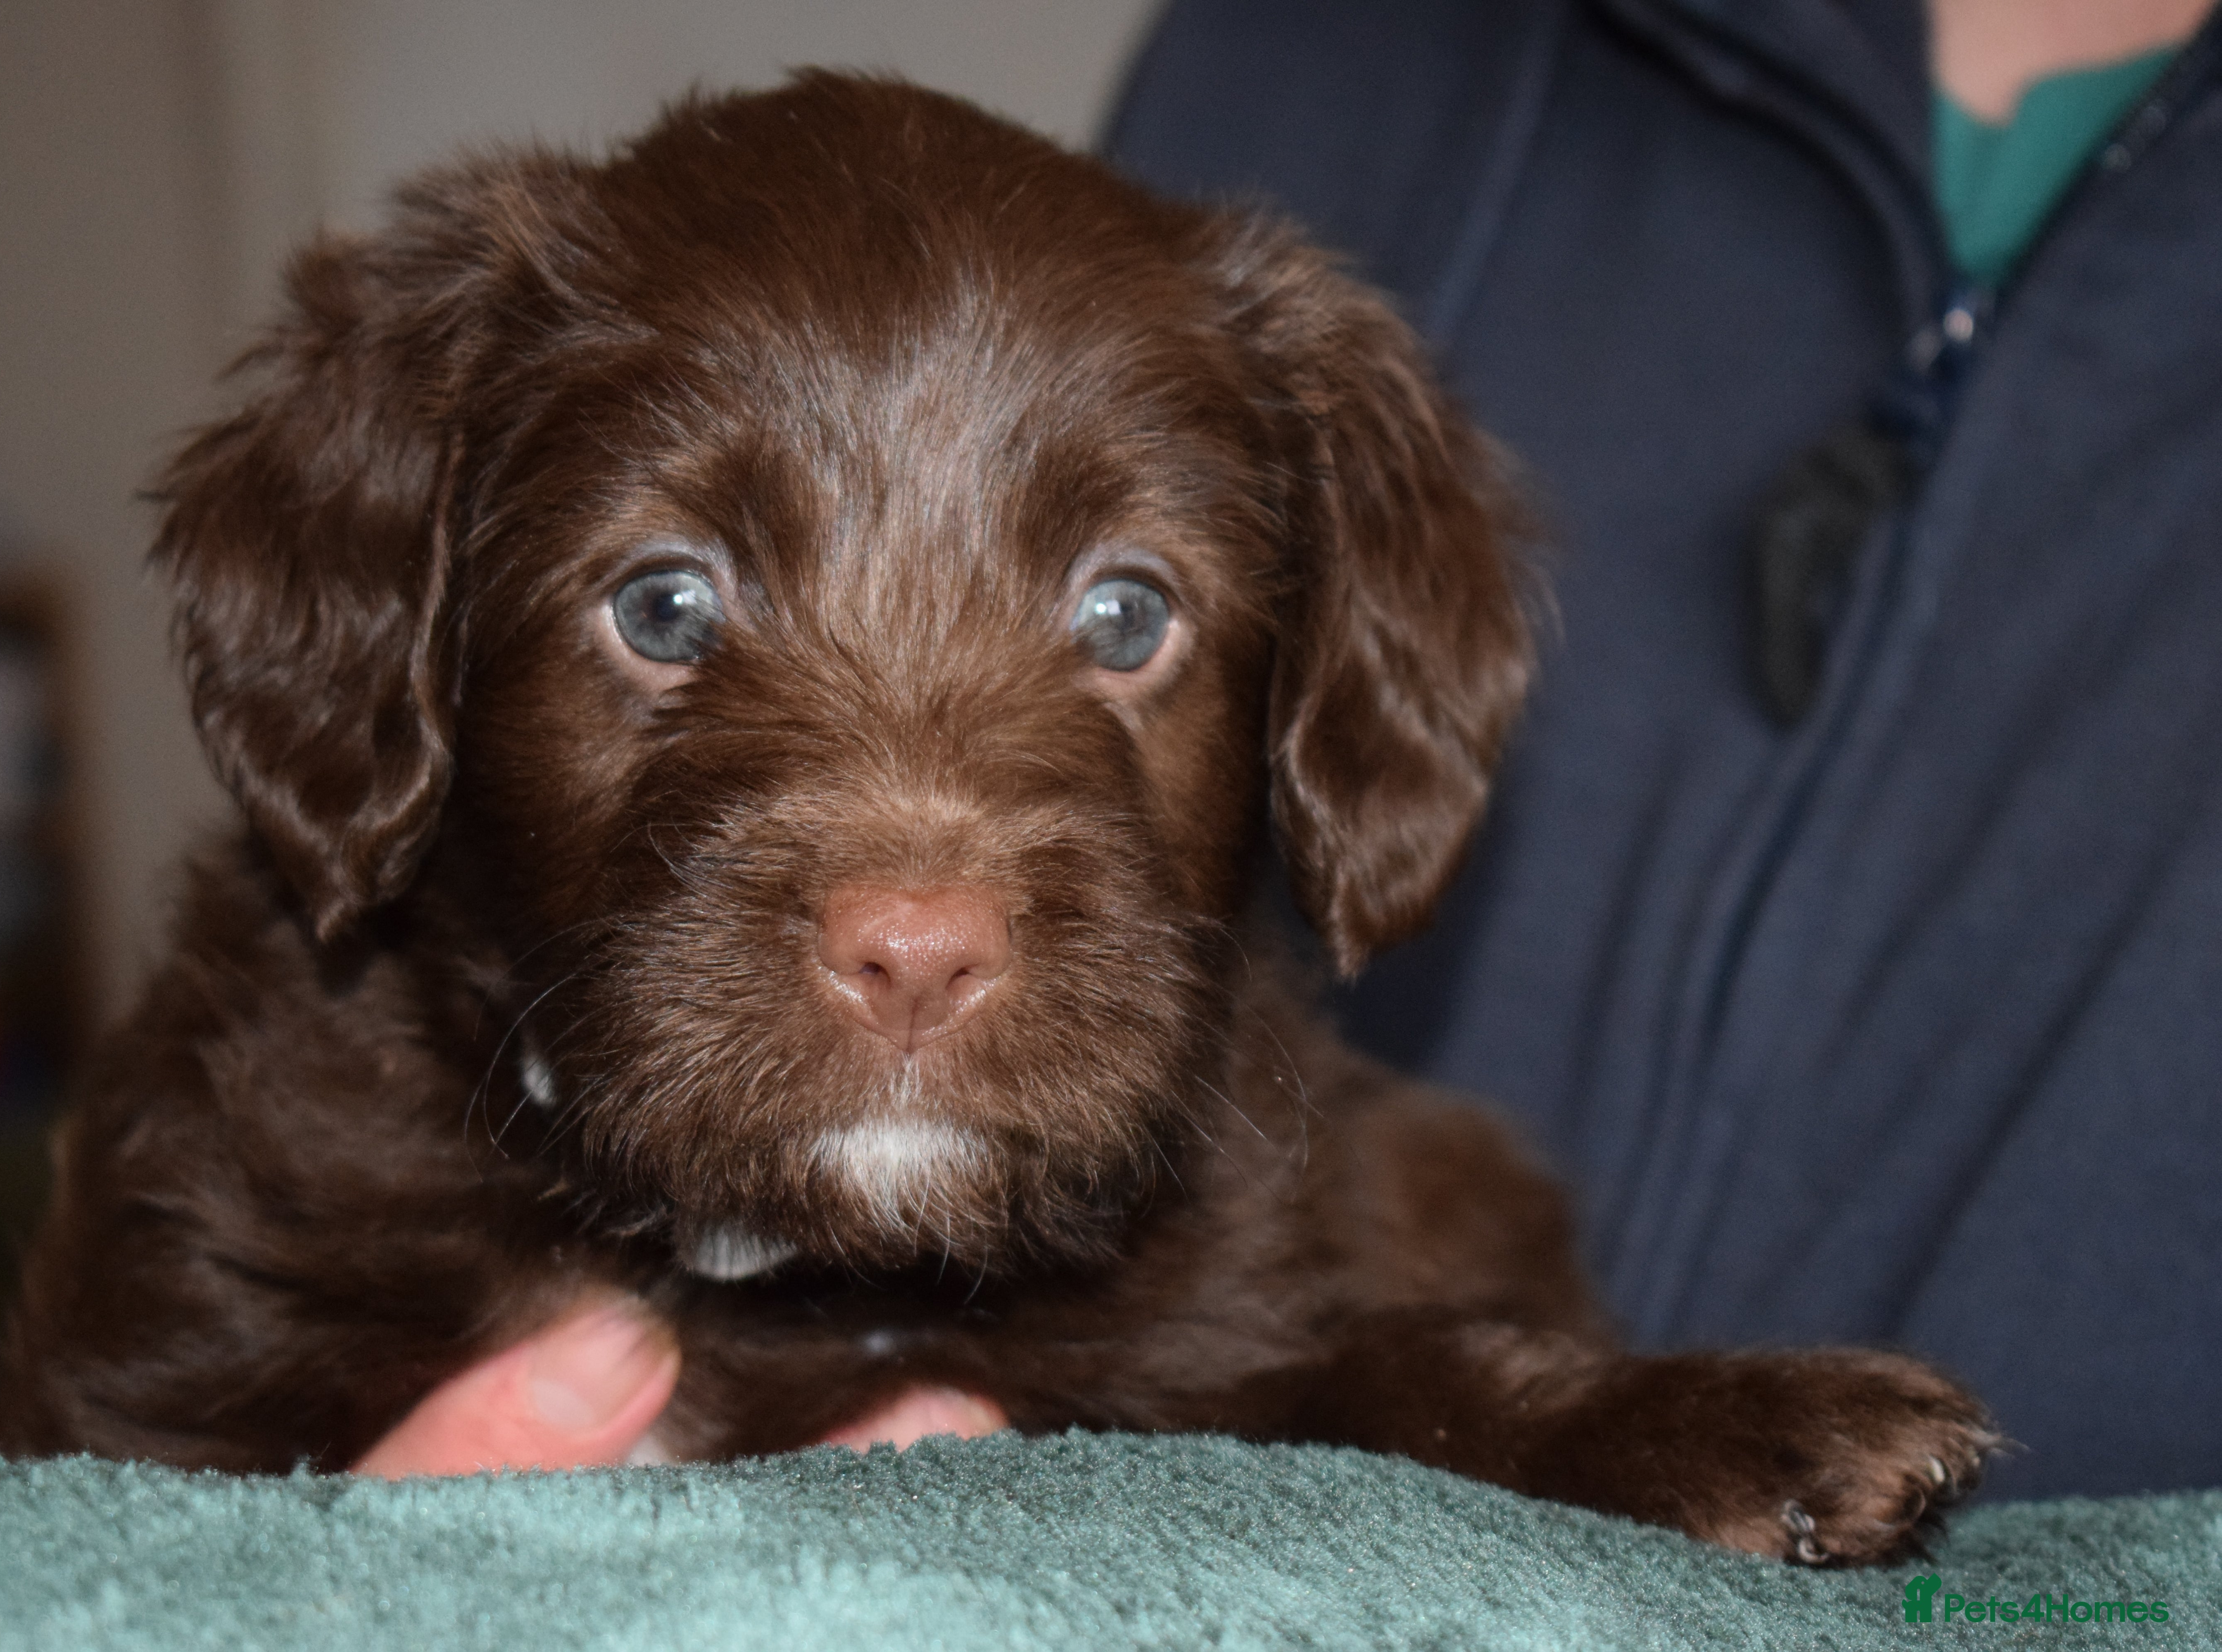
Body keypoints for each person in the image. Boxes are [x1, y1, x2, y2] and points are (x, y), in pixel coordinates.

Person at [367, 0, 2221, 1500]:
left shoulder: (1242, 1253)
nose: (913, 907)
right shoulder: (1316, 48)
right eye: (667, 614)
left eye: (1121, 623)